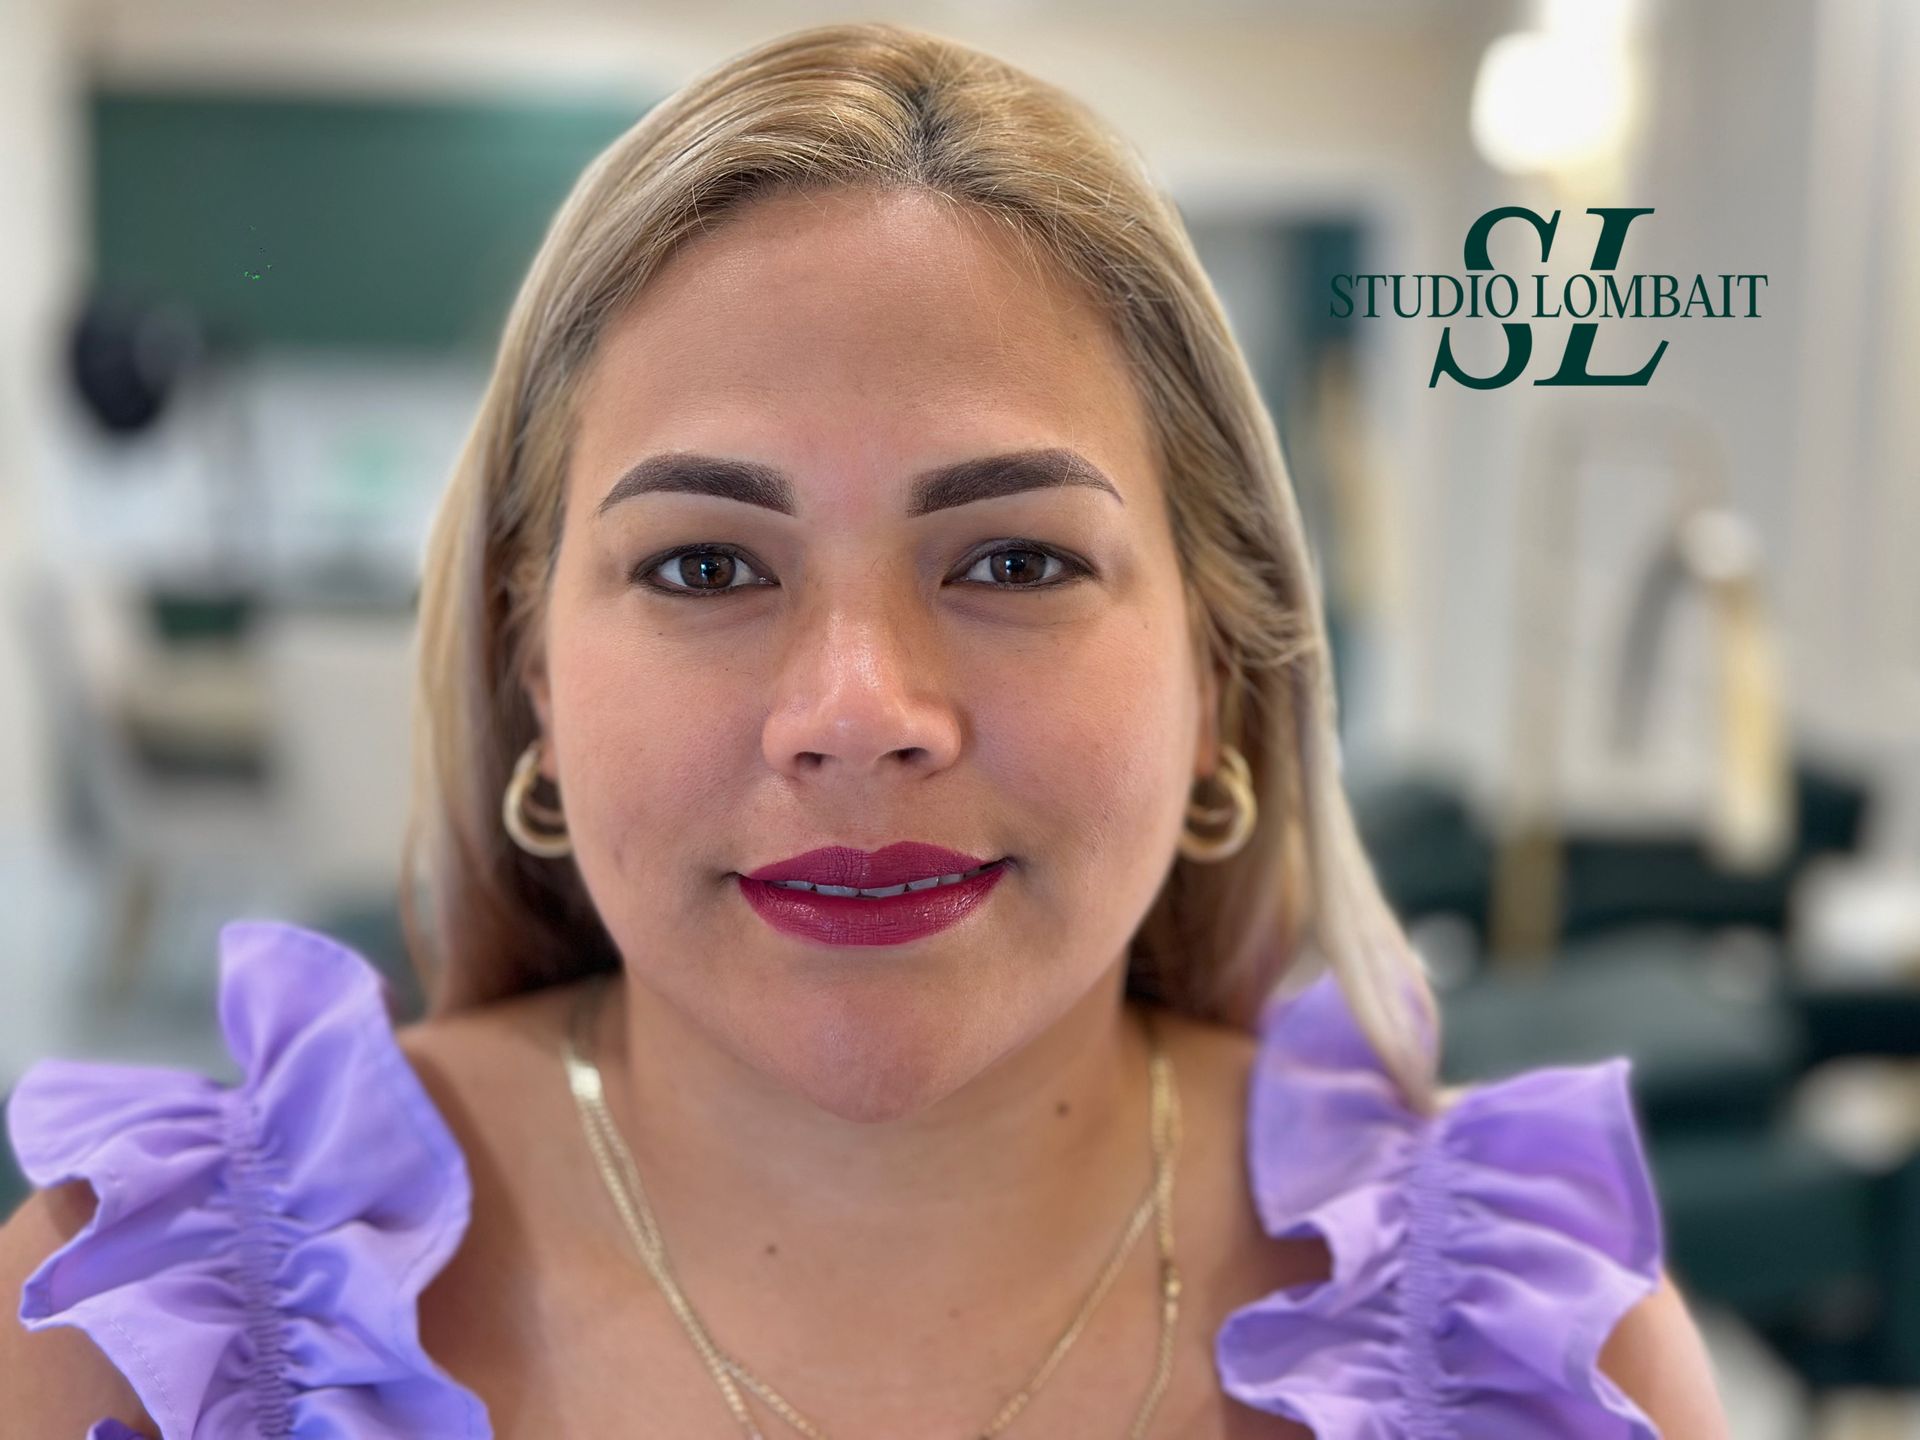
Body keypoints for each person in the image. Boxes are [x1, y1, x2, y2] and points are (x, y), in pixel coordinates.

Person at [1, 21, 1730, 1439]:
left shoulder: (1548, 1352)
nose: (856, 715)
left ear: (1220, 671)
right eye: (701, 562)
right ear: (533, 661)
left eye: (1016, 557)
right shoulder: (140, 1334)